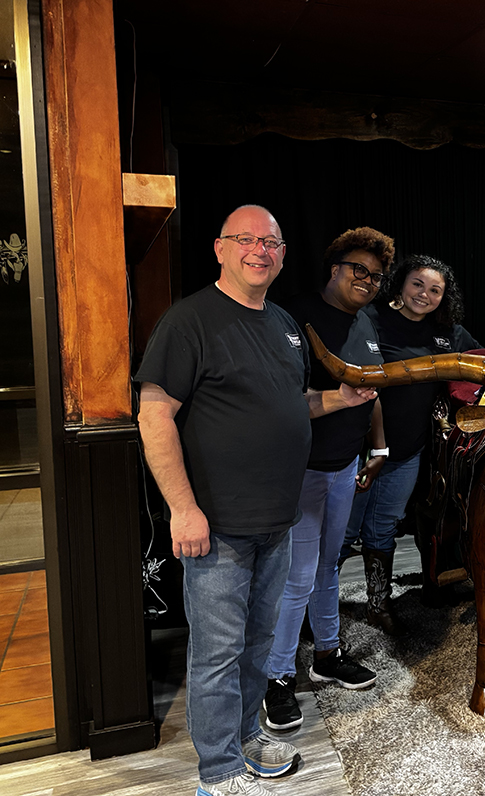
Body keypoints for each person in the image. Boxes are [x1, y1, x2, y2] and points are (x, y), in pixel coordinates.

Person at [136, 206, 379, 796]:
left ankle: (246, 739)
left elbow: (294, 403)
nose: (259, 250)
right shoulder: (189, 320)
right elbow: (154, 414)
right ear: (219, 249)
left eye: (270, 241)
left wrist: (340, 402)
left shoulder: (284, 326)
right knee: (217, 654)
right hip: (216, 526)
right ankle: (218, 773)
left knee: (255, 645)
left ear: (283, 254)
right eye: (245, 240)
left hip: (277, 520)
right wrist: (183, 509)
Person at [262, 227, 396, 733]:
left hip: (344, 466)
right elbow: (276, 404)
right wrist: (339, 399)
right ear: (334, 267)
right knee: (297, 577)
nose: (367, 281)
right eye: (358, 269)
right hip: (299, 470)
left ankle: (326, 653)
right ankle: (277, 676)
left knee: (329, 568)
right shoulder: (290, 316)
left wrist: (378, 446)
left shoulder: (366, 319)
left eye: (376, 275)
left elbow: (374, 386)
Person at [339, 254, 479, 630]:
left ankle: (378, 604)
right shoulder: (369, 319)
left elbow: (483, 362)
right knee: (341, 533)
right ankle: (311, 610)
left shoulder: (447, 332)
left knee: (383, 527)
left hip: (407, 453)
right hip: (358, 451)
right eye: (418, 283)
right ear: (400, 282)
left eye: (435, 290)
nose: (425, 294)